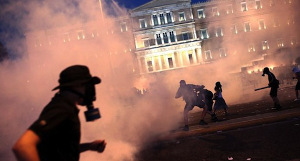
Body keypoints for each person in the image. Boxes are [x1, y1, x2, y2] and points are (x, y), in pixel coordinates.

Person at [12, 65, 107, 161]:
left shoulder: (64, 107)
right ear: (77, 85)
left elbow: (59, 151)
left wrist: (89, 146)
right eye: (88, 85)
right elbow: (22, 146)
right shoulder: (62, 109)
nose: (90, 89)